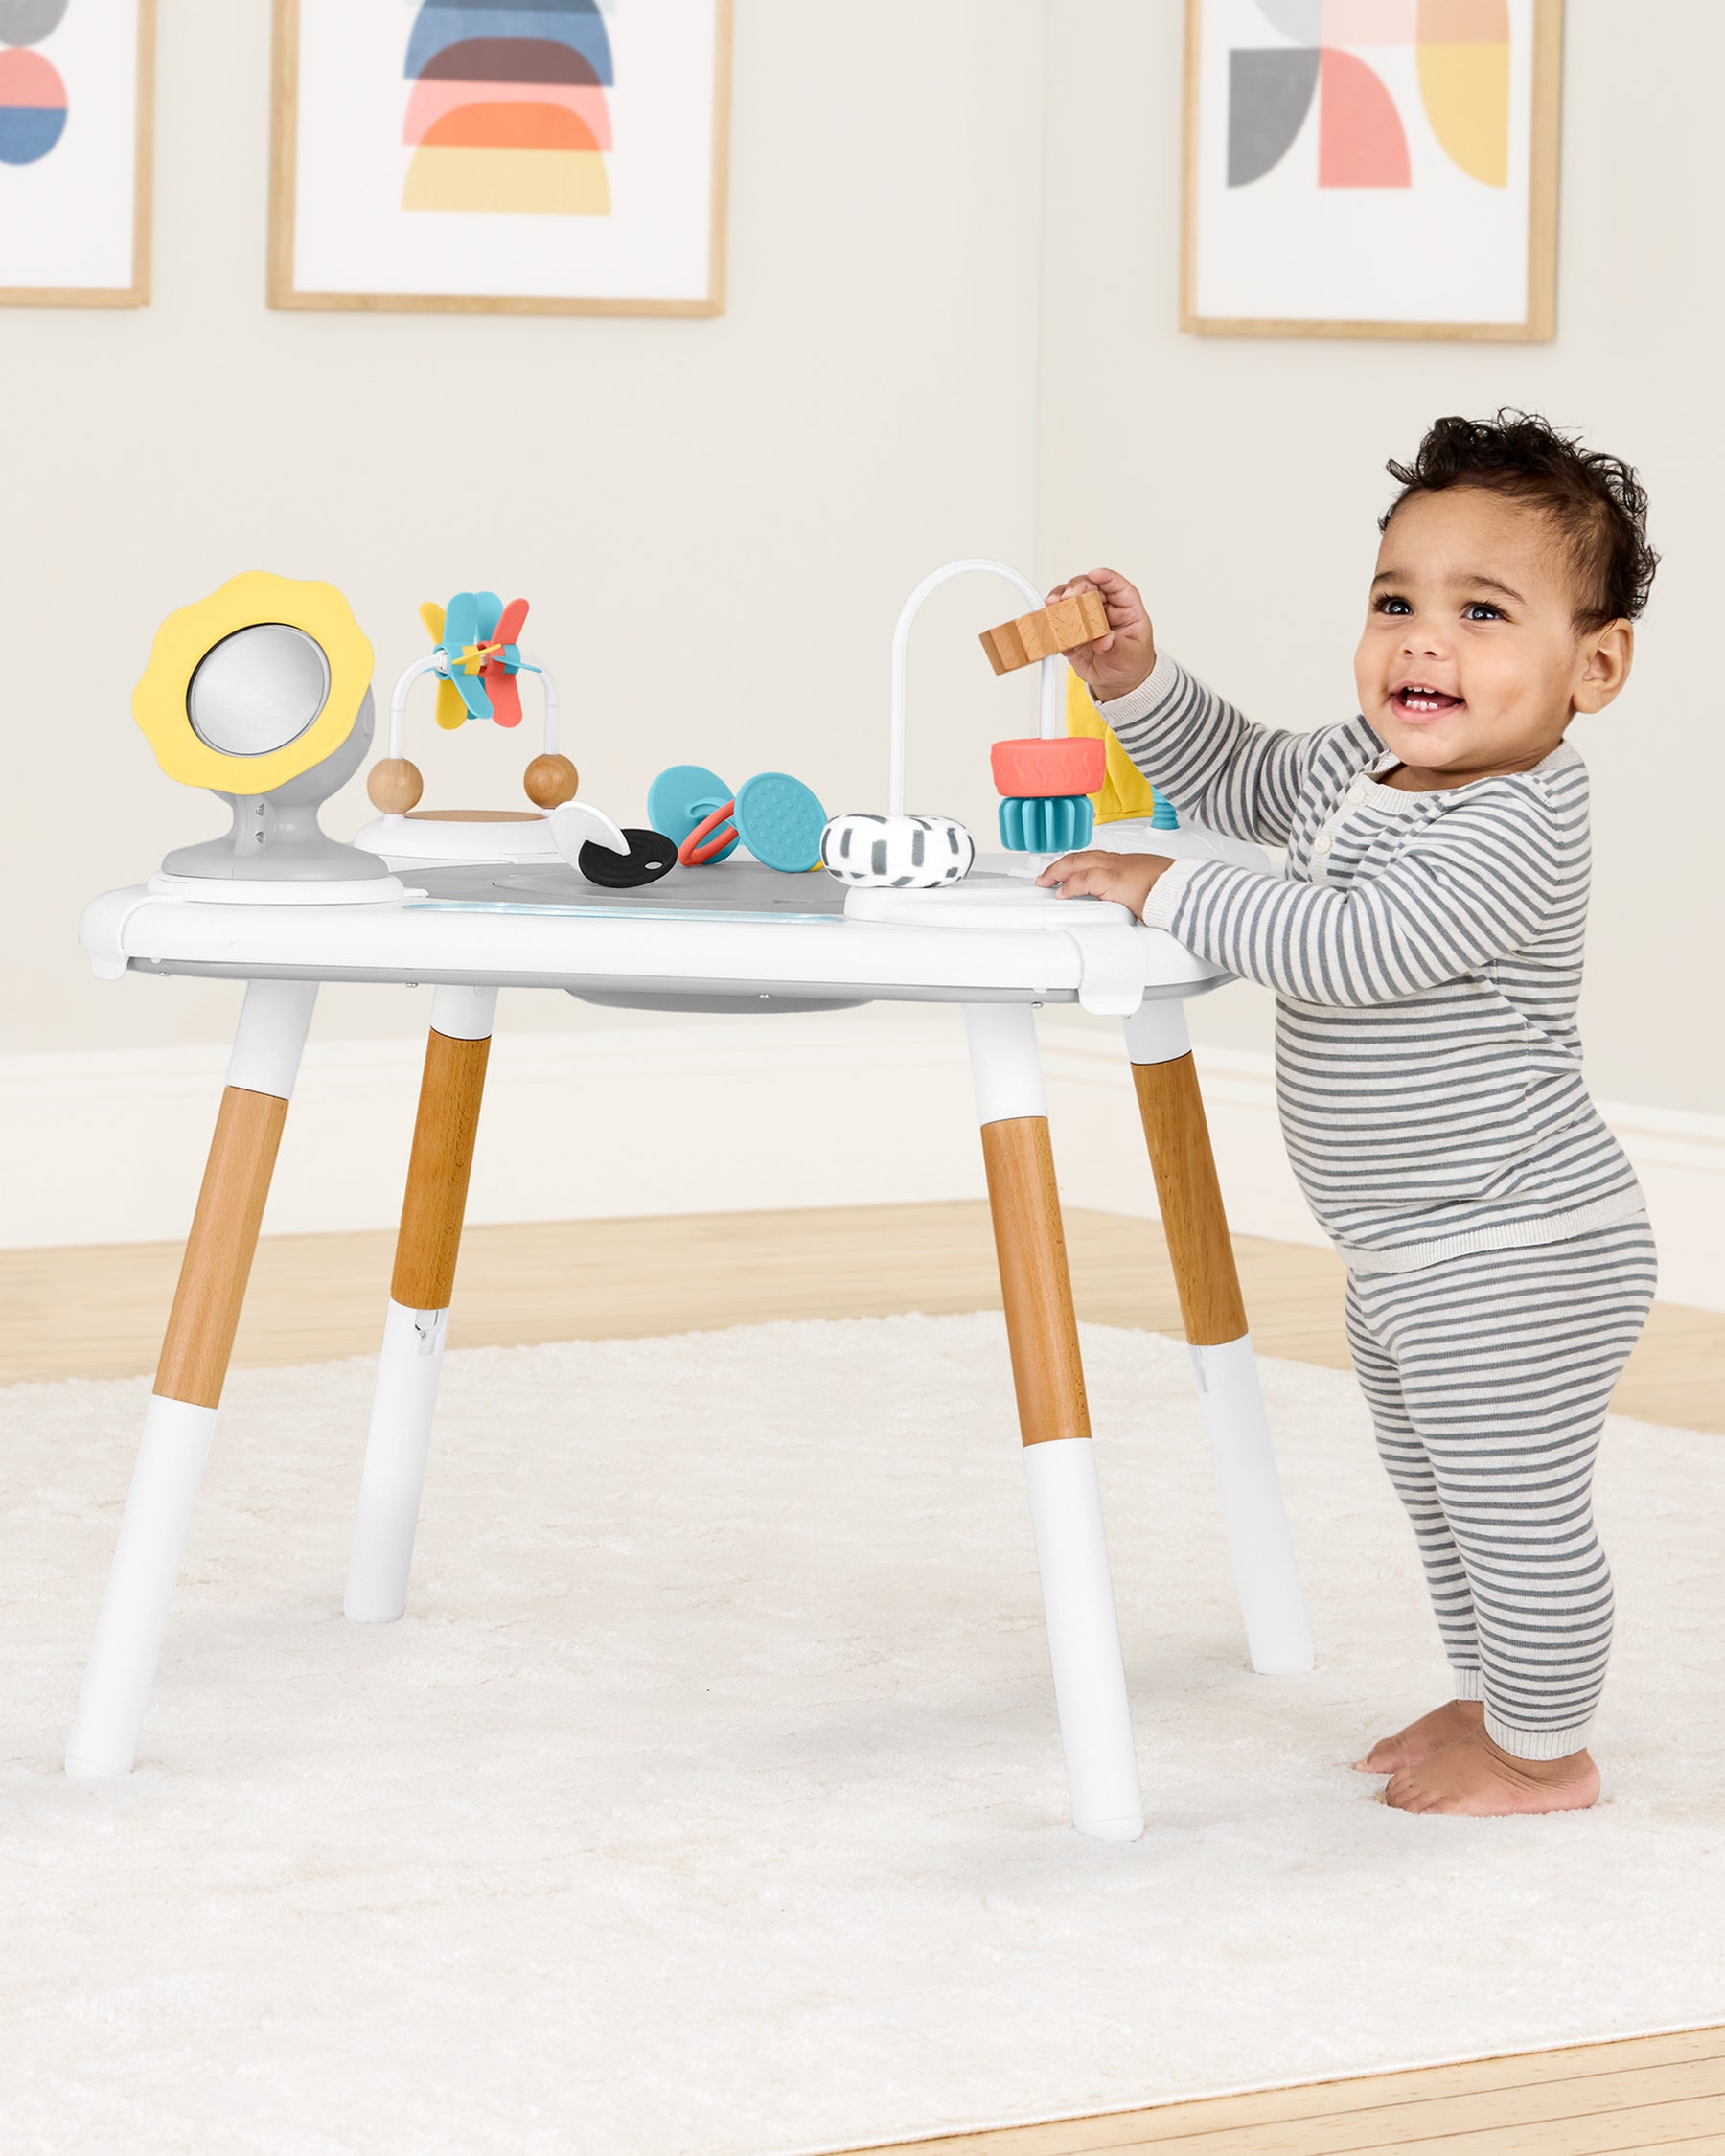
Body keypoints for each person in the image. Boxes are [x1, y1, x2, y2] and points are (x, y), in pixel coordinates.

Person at [1040, 411, 1660, 1817]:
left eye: (1482, 613)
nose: (1423, 644)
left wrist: (1170, 887)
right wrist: (1138, 682)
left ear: (1595, 665)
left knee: (1514, 1511)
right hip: (1407, 1249)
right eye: (1396, 604)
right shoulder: (1367, 766)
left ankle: (1545, 1751)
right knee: (1444, 1500)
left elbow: (1351, 947)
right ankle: (1495, 1694)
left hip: (1519, 1245)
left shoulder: (1517, 822)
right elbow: (1244, 773)